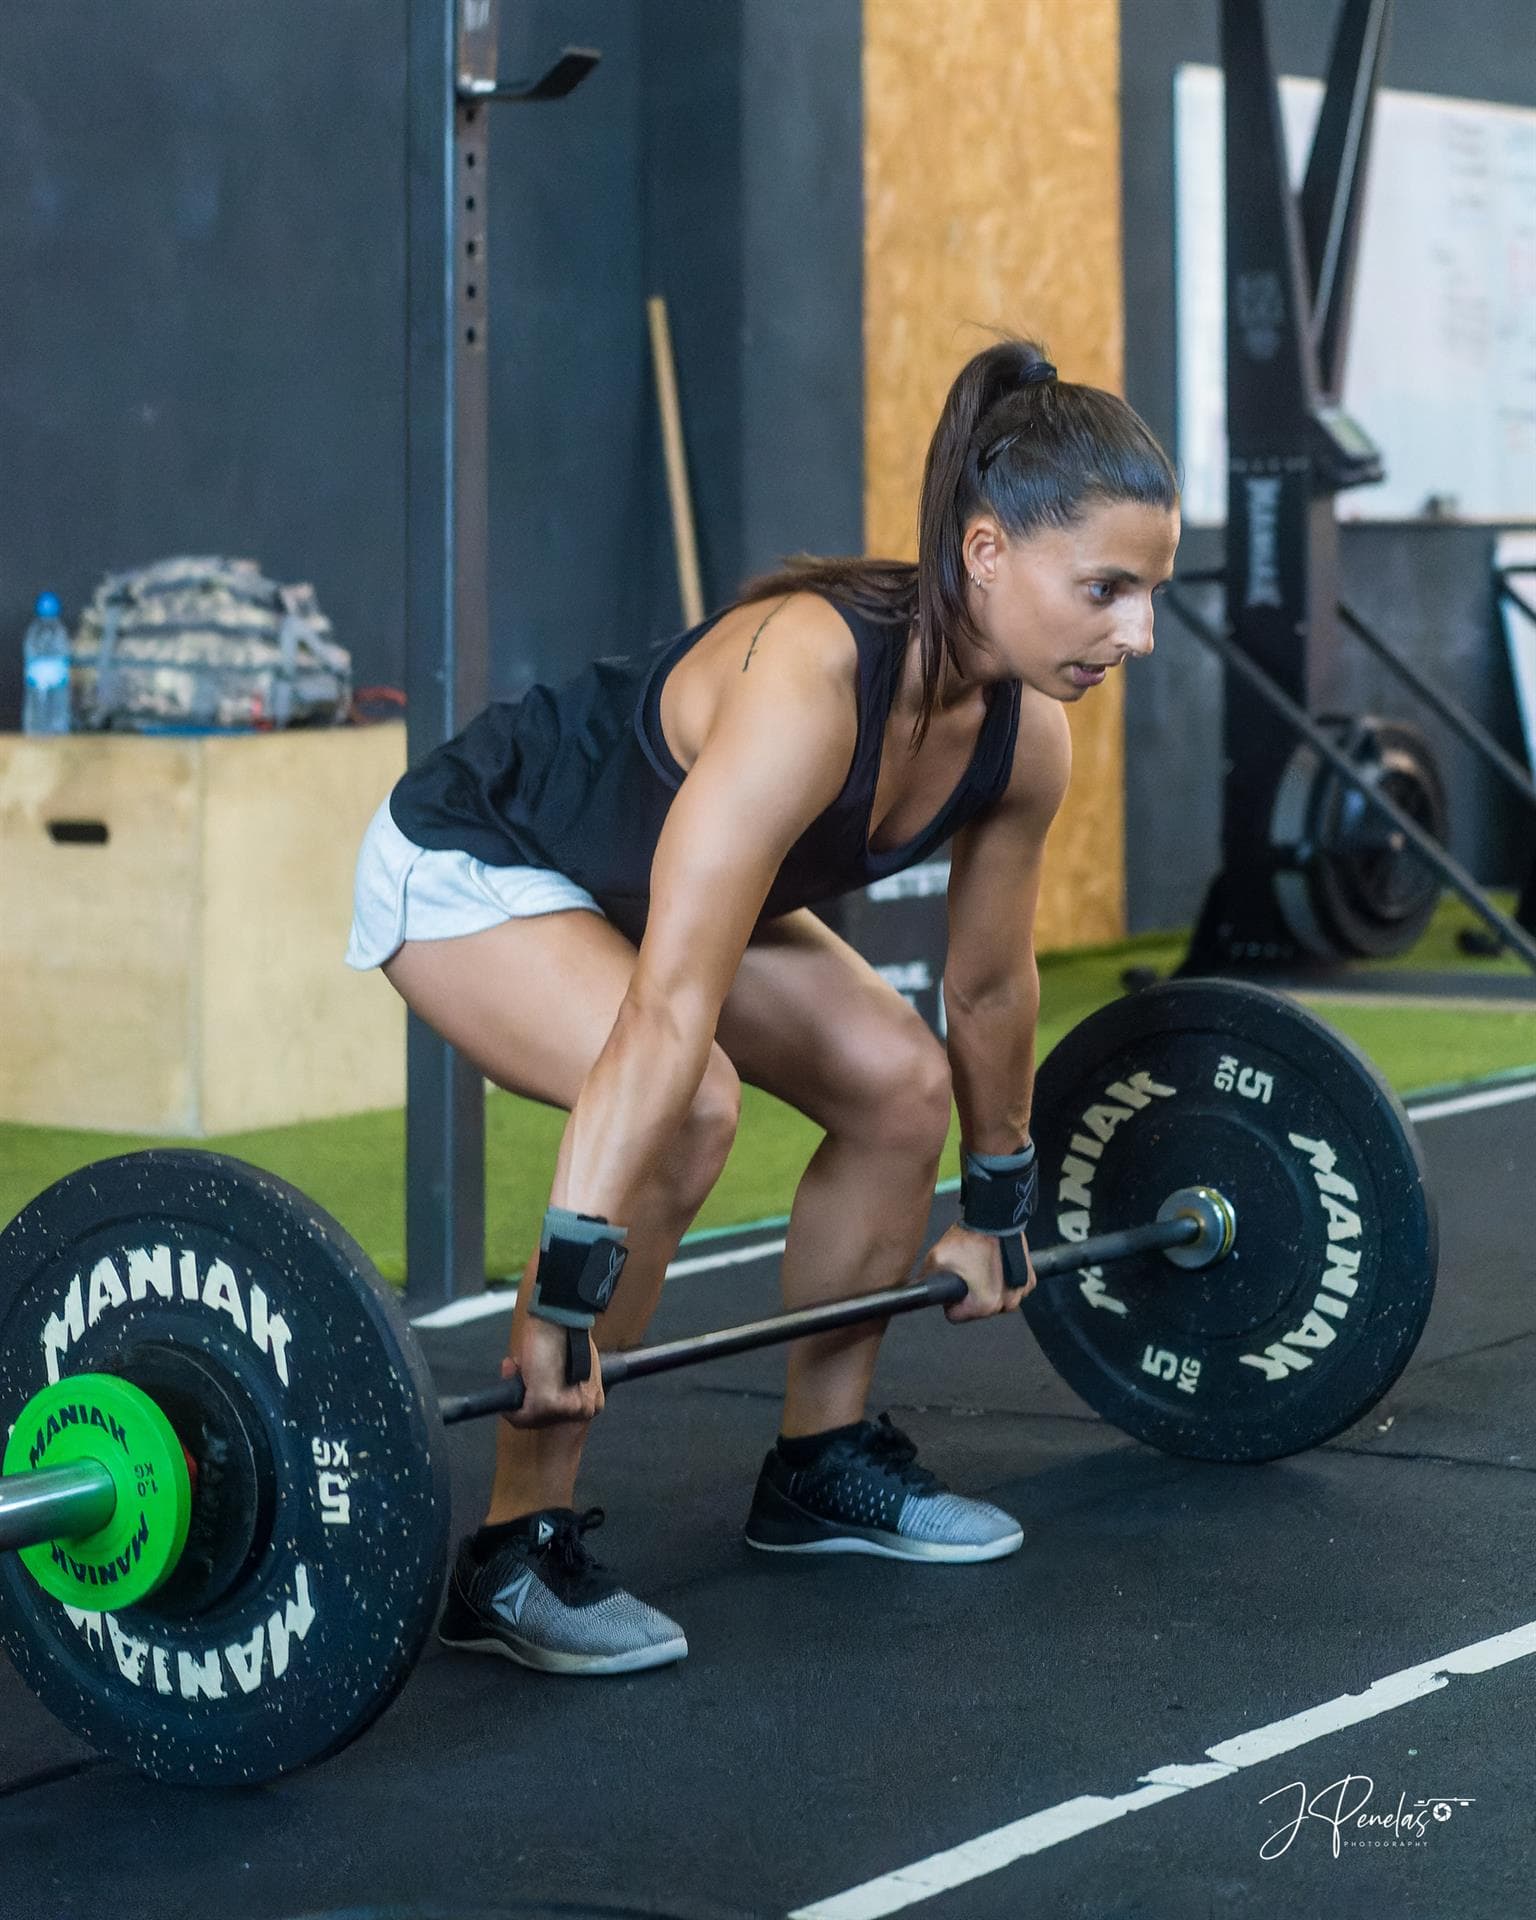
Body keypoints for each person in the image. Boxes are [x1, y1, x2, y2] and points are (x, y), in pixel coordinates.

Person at [344, 337, 1180, 1677]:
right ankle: (513, 1547)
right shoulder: (810, 679)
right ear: (984, 552)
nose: (1136, 632)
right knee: (687, 1115)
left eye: (1150, 594)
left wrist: (1001, 1203)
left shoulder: (1027, 733)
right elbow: (670, 1014)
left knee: (901, 1090)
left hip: (644, 888)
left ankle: (820, 1462)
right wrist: (564, 1296)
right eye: (1107, 590)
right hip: (480, 861)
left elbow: (986, 980)